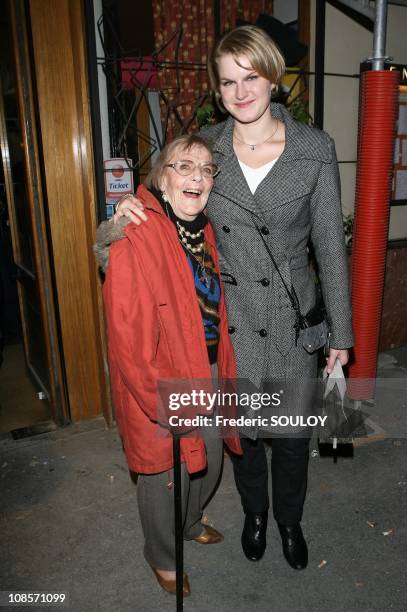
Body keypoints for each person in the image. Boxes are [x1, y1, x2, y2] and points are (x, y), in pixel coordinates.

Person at [96, 25, 353, 571]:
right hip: (227, 325)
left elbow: (331, 247)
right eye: (228, 81)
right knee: (246, 440)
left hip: (290, 324)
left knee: (288, 440)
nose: (241, 92)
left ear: (272, 77)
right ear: (217, 88)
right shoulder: (207, 147)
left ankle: (288, 521)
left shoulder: (315, 148)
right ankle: (255, 515)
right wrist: (123, 216)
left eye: (250, 77)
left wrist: (341, 338)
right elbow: (162, 200)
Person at [97, 133, 242, 596]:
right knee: (164, 473)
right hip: (161, 378)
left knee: (211, 458)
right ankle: (161, 555)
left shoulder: (206, 231)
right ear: (161, 177)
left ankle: (190, 520)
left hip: (210, 365)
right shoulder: (135, 233)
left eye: (205, 169)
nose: (196, 177)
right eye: (184, 166)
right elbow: (128, 335)